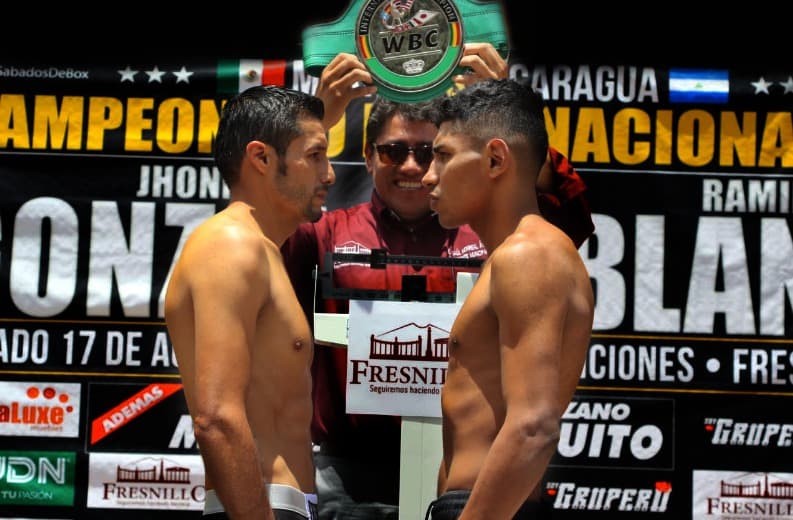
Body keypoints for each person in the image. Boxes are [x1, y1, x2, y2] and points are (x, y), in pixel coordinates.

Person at [281, 45, 594, 520]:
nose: (417, 170)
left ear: (493, 160)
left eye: (434, 153)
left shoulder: (512, 246)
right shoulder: (329, 231)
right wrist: (314, 125)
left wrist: (499, 109)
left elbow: (563, 213)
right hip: (348, 468)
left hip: (480, 489)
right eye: (394, 151)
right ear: (367, 158)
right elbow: (263, 233)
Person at [420, 78, 595, 519]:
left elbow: (533, 427)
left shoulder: (528, 254)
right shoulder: (511, 256)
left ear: (496, 159)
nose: (427, 176)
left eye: (442, 156)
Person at [164, 85, 335, 520]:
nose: (329, 174)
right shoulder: (232, 245)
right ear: (261, 158)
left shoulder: (262, 249)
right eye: (315, 156)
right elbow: (216, 418)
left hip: (282, 504)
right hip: (260, 505)